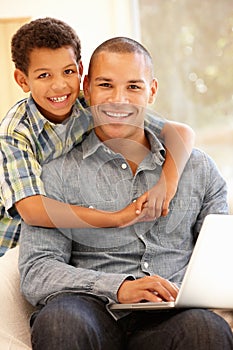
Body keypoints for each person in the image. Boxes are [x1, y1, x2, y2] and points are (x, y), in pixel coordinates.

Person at [19, 37, 233, 350]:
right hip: (91, 309)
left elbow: (221, 257)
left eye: (134, 86)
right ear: (88, 87)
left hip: (171, 317)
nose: (119, 100)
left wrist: (183, 290)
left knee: (204, 329)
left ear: (152, 90)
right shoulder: (56, 174)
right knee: (60, 322)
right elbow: (37, 271)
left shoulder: (196, 168)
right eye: (106, 85)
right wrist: (118, 287)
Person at [0, 17, 195, 257]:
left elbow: (181, 133)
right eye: (44, 76)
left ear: (81, 71)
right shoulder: (15, 132)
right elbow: (31, 209)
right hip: (10, 244)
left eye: (68, 71)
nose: (60, 85)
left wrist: (166, 185)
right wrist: (115, 218)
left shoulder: (91, 101)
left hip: (61, 236)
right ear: (22, 80)